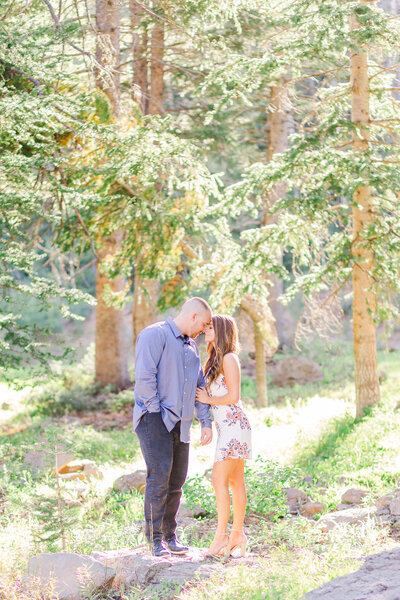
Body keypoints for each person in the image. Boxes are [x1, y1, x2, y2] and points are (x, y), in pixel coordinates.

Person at [133, 297, 213, 557]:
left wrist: (206, 422)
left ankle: (170, 535)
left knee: (176, 482)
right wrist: (157, 414)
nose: (204, 329)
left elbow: (199, 387)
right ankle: (154, 540)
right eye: (203, 324)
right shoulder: (153, 335)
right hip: (155, 419)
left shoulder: (192, 347)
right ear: (192, 316)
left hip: (182, 424)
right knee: (159, 480)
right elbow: (145, 379)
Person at [196, 314, 251, 557]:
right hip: (226, 427)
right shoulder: (214, 359)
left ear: (221, 331)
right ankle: (237, 534)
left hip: (234, 426)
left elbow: (234, 397)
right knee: (235, 481)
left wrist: (208, 399)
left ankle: (221, 537)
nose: (206, 331)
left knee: (218, 479)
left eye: (210, 328)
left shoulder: (229, 358)